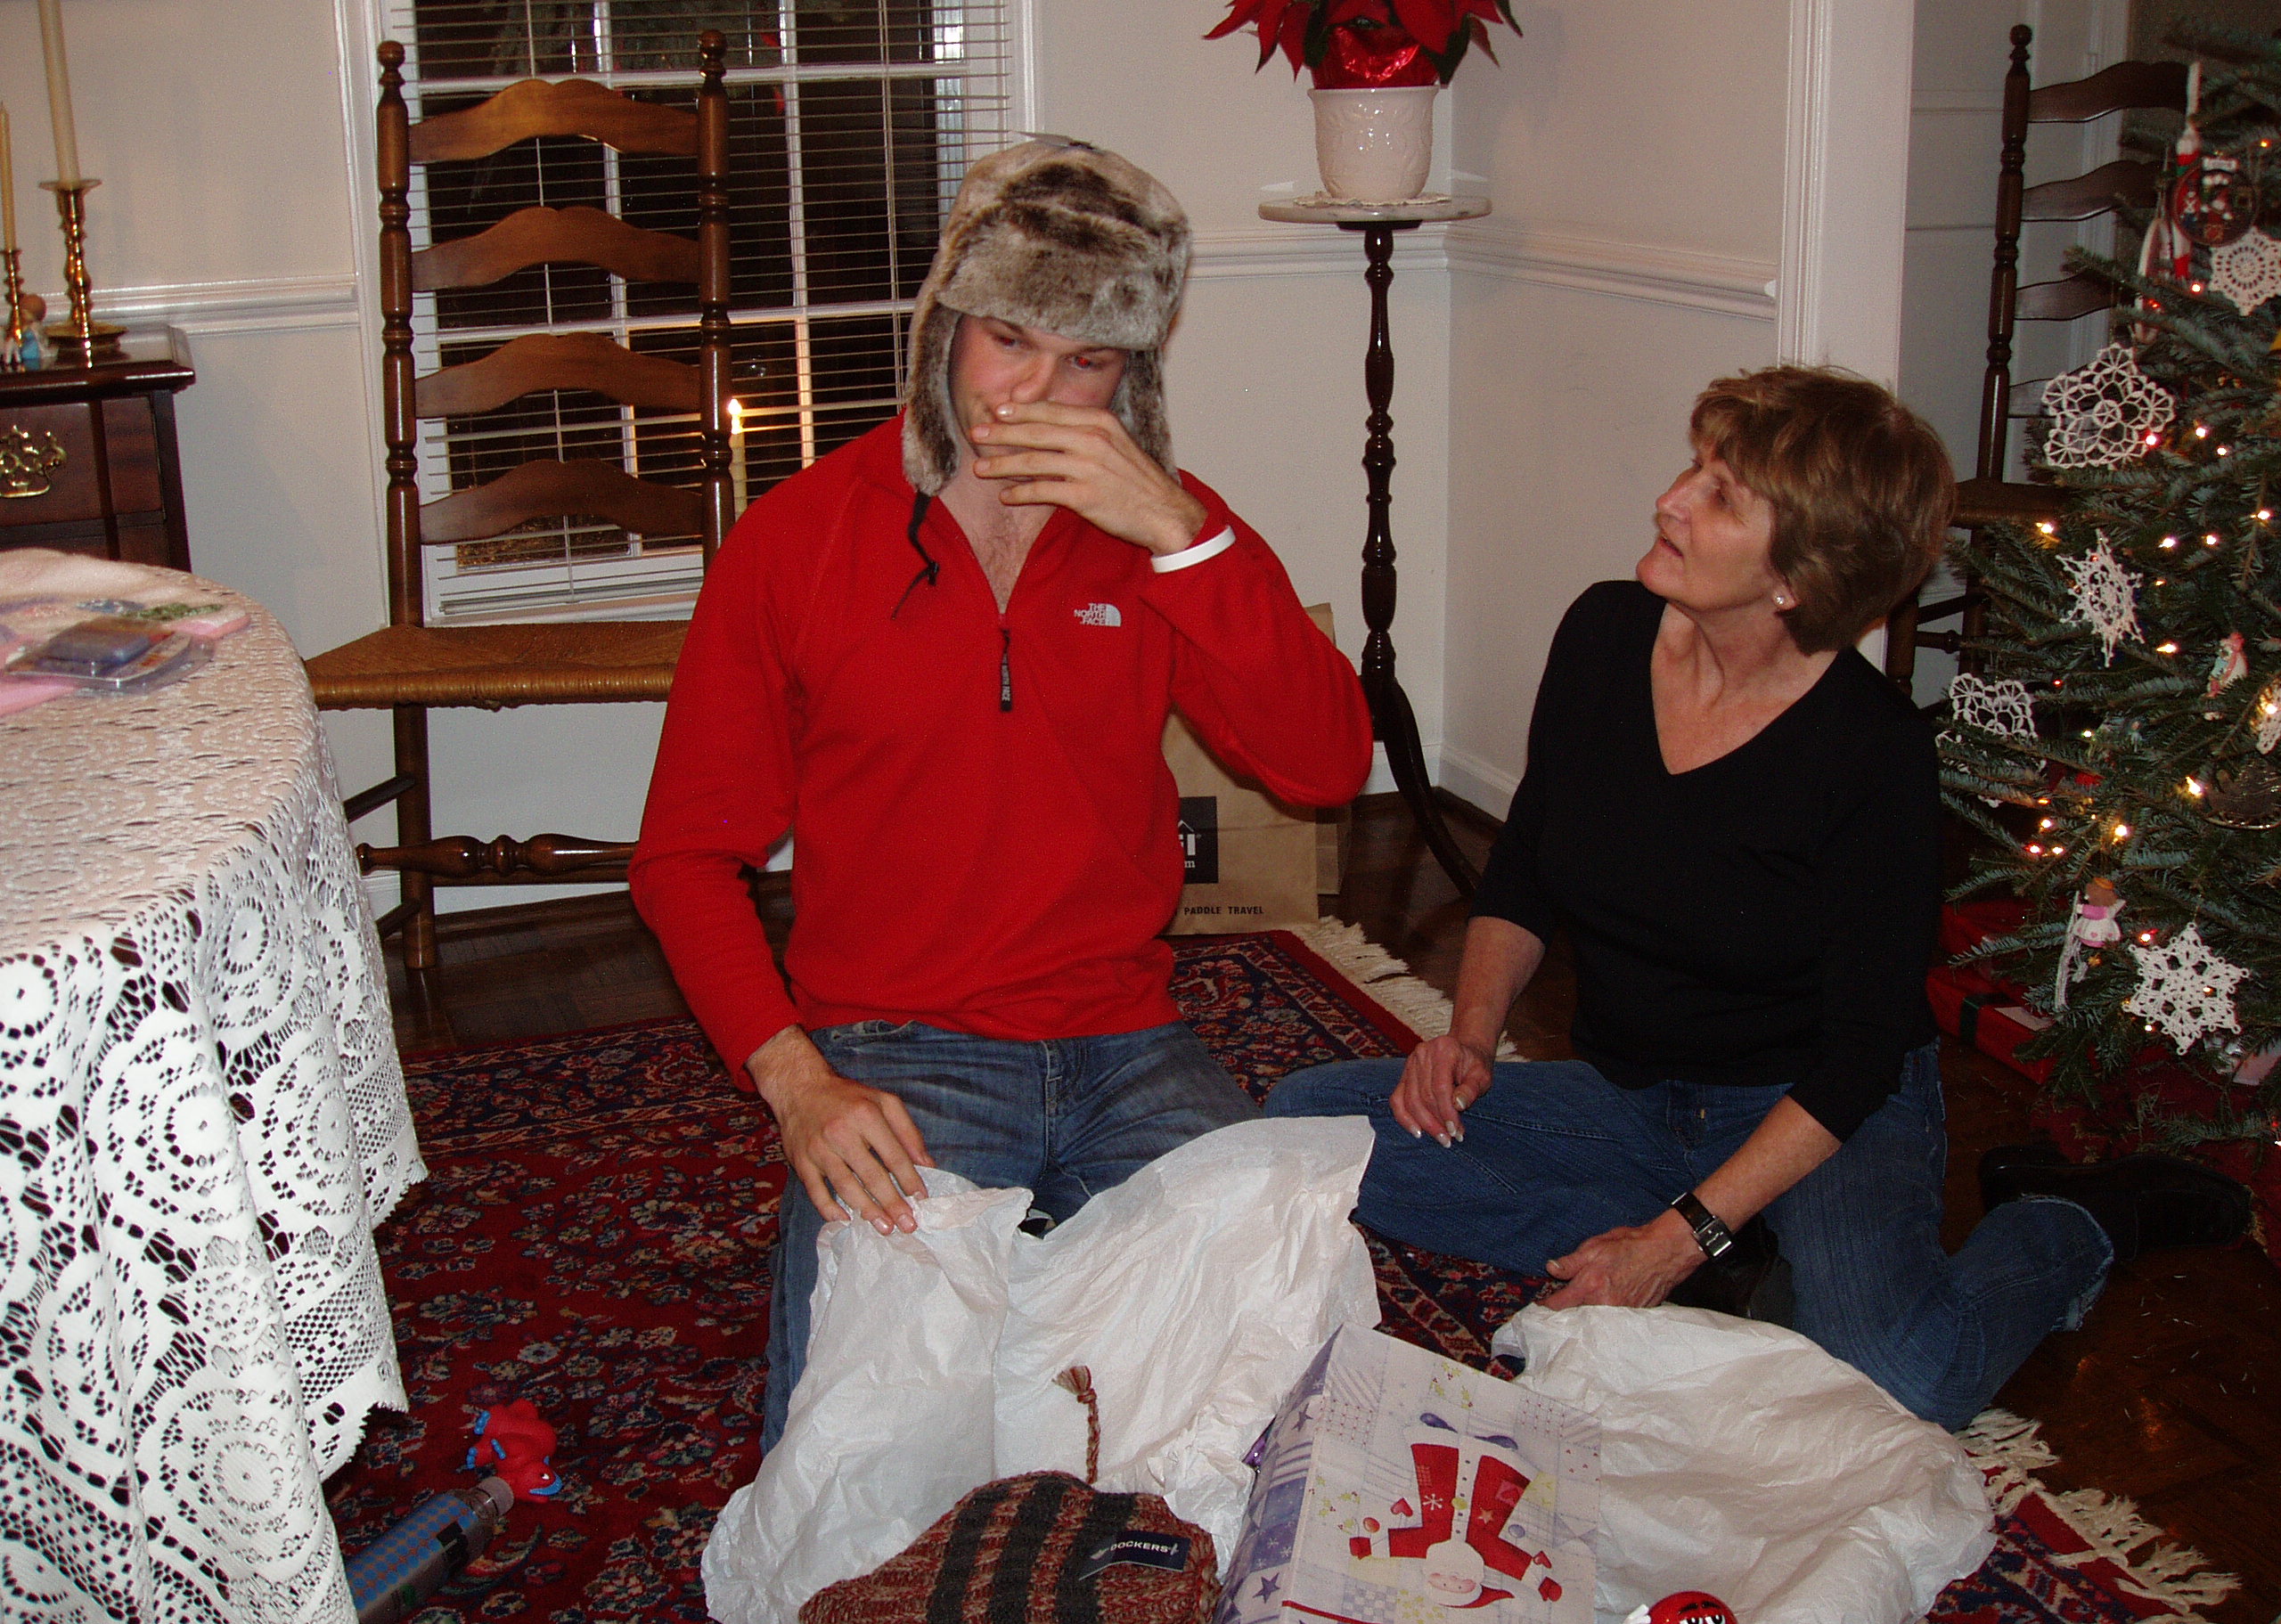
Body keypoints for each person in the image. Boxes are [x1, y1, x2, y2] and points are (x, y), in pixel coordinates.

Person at [1265, 365, 2252, 1432]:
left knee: (1906, 1373)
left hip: (1813, 1109)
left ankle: (2072, 1218)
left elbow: (1861, 1056)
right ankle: (1724, 1257)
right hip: (1635, 1095)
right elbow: (1526, 870)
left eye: (1720, 494)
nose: (1670, 501)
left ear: (1797, 579)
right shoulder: (1603, 633)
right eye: (1694, 467)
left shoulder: (1871, 753)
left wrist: (1674, 1240)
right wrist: (1469, 1035)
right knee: (1308, 1126)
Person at [630, 141, 1373, 1450]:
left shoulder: (1167, 533)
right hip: (894, 1044)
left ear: (1135, 371)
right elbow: (686, 858)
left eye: (1087, 362)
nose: (1035, 394)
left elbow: (1324, 766)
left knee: (1293, 1385)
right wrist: (798, 1083)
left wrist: (1184, 537)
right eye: (1009, 341)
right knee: (858, 1453)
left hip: (1126, 1036)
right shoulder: (798, 540)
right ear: (946, 329)